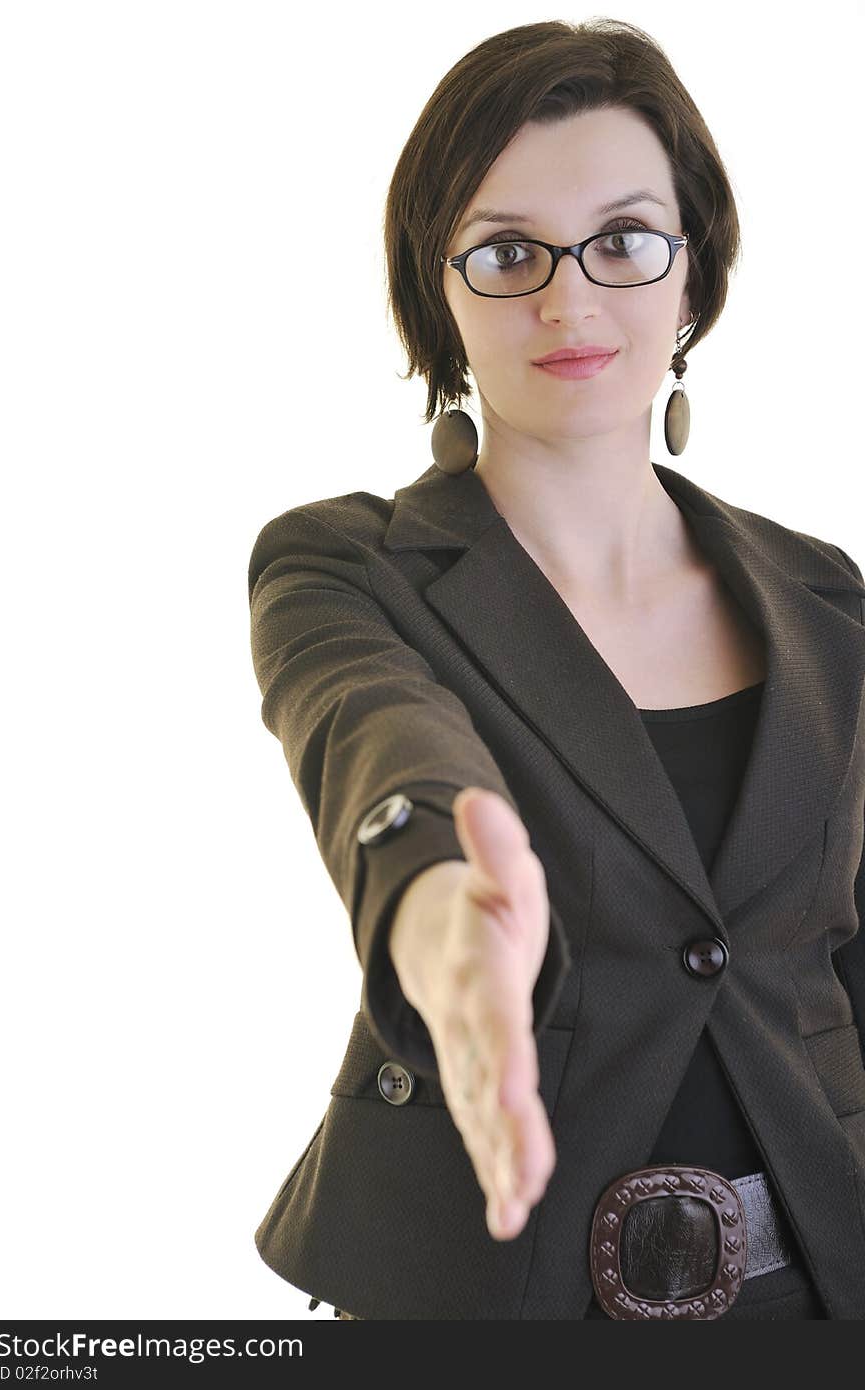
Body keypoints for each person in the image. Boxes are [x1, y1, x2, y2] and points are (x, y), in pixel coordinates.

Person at [247, 18, 865, 1320]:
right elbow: (378, 739)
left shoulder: (830, 600)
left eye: (626, 241)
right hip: (484, 1290)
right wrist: (438, 912)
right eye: (508, 251)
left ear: (692, 280)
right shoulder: (344, 565)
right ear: (442, 290)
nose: (568, 298)